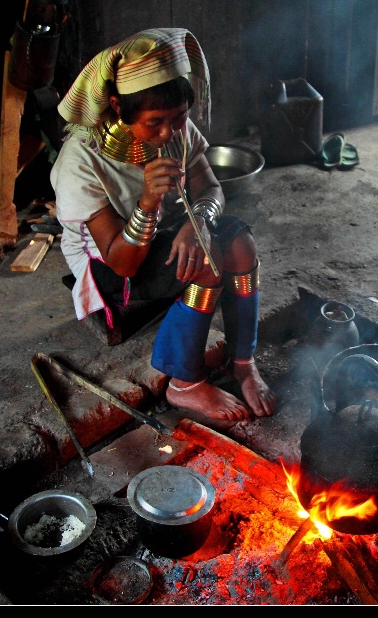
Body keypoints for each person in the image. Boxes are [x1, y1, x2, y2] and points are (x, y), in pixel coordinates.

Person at [51, 27, 277, 429]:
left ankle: (243, 361)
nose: (168, 133)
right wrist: (148, 202)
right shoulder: (80, 161)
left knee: (240, 244)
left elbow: (209, 186)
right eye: (154, 123)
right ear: (118, 106)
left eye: (179, 119)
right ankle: (186, 382)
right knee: (208, 261)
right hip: (110, 266)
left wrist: (200, 223)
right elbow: (123, 262)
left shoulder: (174, 128)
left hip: (167, 230)